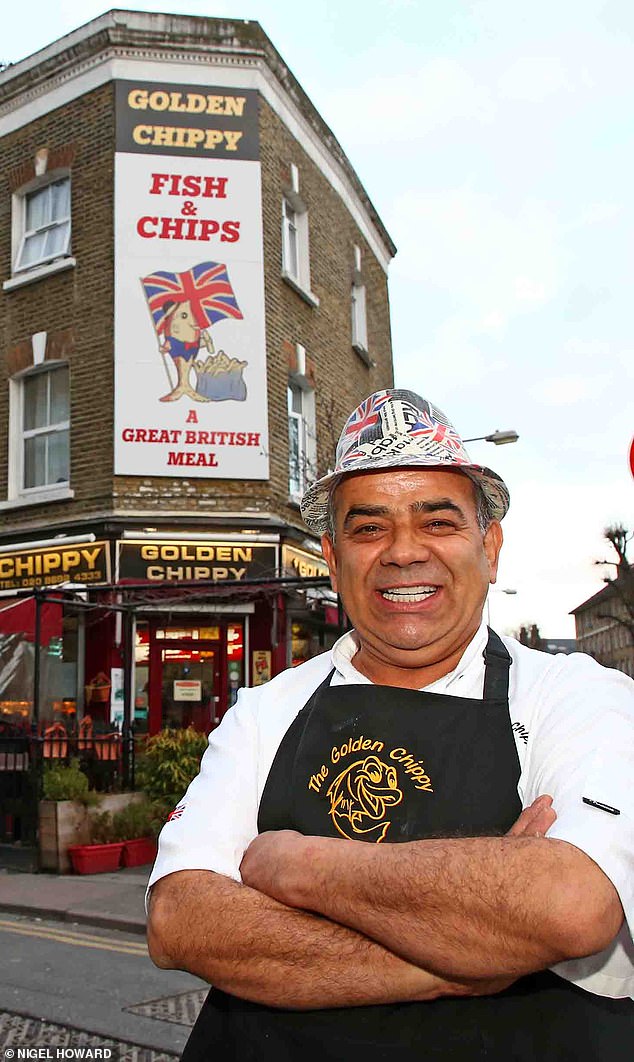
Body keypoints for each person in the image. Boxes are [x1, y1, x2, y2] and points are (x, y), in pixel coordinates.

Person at [147, 389, 634, 1060]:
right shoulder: (263, 711)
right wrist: (472, 958)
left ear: (489, 547)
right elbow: (183, 922)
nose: (403, 553)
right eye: (369, 528)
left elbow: (570, 905)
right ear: (332, 556)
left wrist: (298, 867)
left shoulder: (576, 695)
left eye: (437, 522)